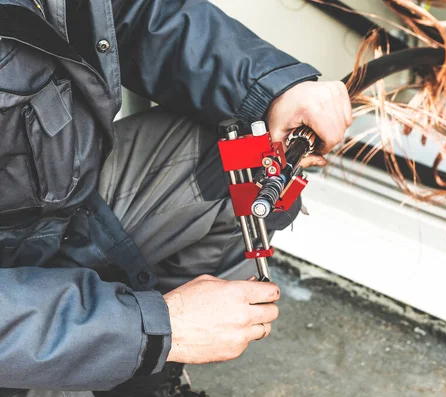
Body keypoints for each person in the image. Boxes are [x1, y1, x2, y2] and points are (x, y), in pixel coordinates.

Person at [0, 1, 352, 397]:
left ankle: (139, 379)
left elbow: (134, 12)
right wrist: (151, 328)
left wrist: (271, 89)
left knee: (246, 158)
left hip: (54, 208)